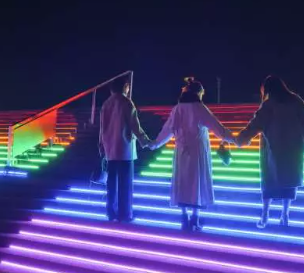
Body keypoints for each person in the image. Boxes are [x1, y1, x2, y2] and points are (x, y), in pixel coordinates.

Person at [236, 75, 304, 228]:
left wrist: (241, 139)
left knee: (269, 182)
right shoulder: (296, 101)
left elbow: (255, 123)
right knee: (289, 183)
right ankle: (285, 215)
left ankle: (265, 214)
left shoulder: (269, 104)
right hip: (294, 150)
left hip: (273, 149)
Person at [149, 77, 235, 231]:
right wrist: (234, 139)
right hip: (198, 152)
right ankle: (195, 219)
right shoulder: (199, 108)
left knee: (182, 183)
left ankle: (184, 218)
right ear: (198, 93)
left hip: (182, 151)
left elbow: (167, 130)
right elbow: (217, 128)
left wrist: (155, 144)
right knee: (197, 184)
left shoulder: (177, 109)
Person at [99, 75, 151, 222]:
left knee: (111, 183)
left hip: (110, 149)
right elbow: (135, 126)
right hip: (125, 148)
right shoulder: (127, 102)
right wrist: (146, 141)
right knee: (125, 184)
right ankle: (125, 214)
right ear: (125, 87)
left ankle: (111, 212)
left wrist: (101, 145)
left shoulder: (106, 104)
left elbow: (102, 128)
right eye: (128, 86)